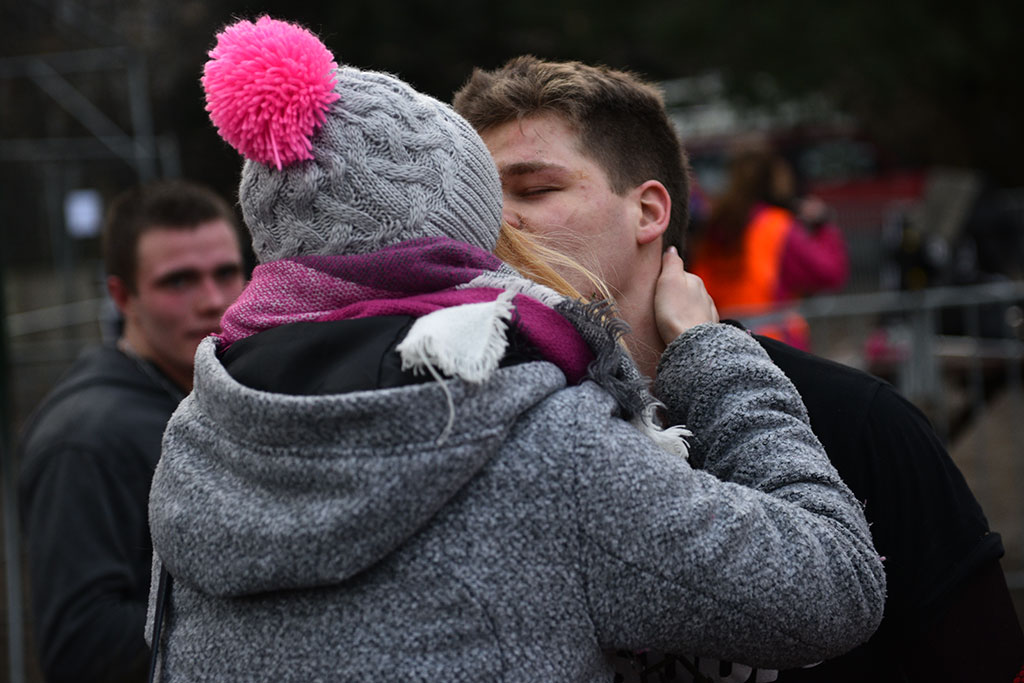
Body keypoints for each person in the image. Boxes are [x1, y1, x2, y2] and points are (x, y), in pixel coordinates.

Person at [144, 17, 884, 681]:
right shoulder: (538, 435)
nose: (518, 231)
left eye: (535, 190)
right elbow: (833, 584)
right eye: (496, 204)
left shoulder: (198, 437)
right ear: (462, 237)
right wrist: (713, 356)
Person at [454, 56, 1024, 682]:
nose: (495, 222)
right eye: (476, 196)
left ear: (648, 212)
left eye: (534, 189)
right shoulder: (468, 434)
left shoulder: (861, 424)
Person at [17, 179, 246, 683]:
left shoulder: (210, 393)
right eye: (178, 281)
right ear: (122, 296)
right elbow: (82, 647)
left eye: (226, 272)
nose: (211, 299)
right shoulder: (85, 440)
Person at [689, 143, 848, 349]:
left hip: (718, 343)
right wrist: (823, 227)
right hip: (775, 348)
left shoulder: (711, 224)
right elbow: (828, 272)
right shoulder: (777, 226)